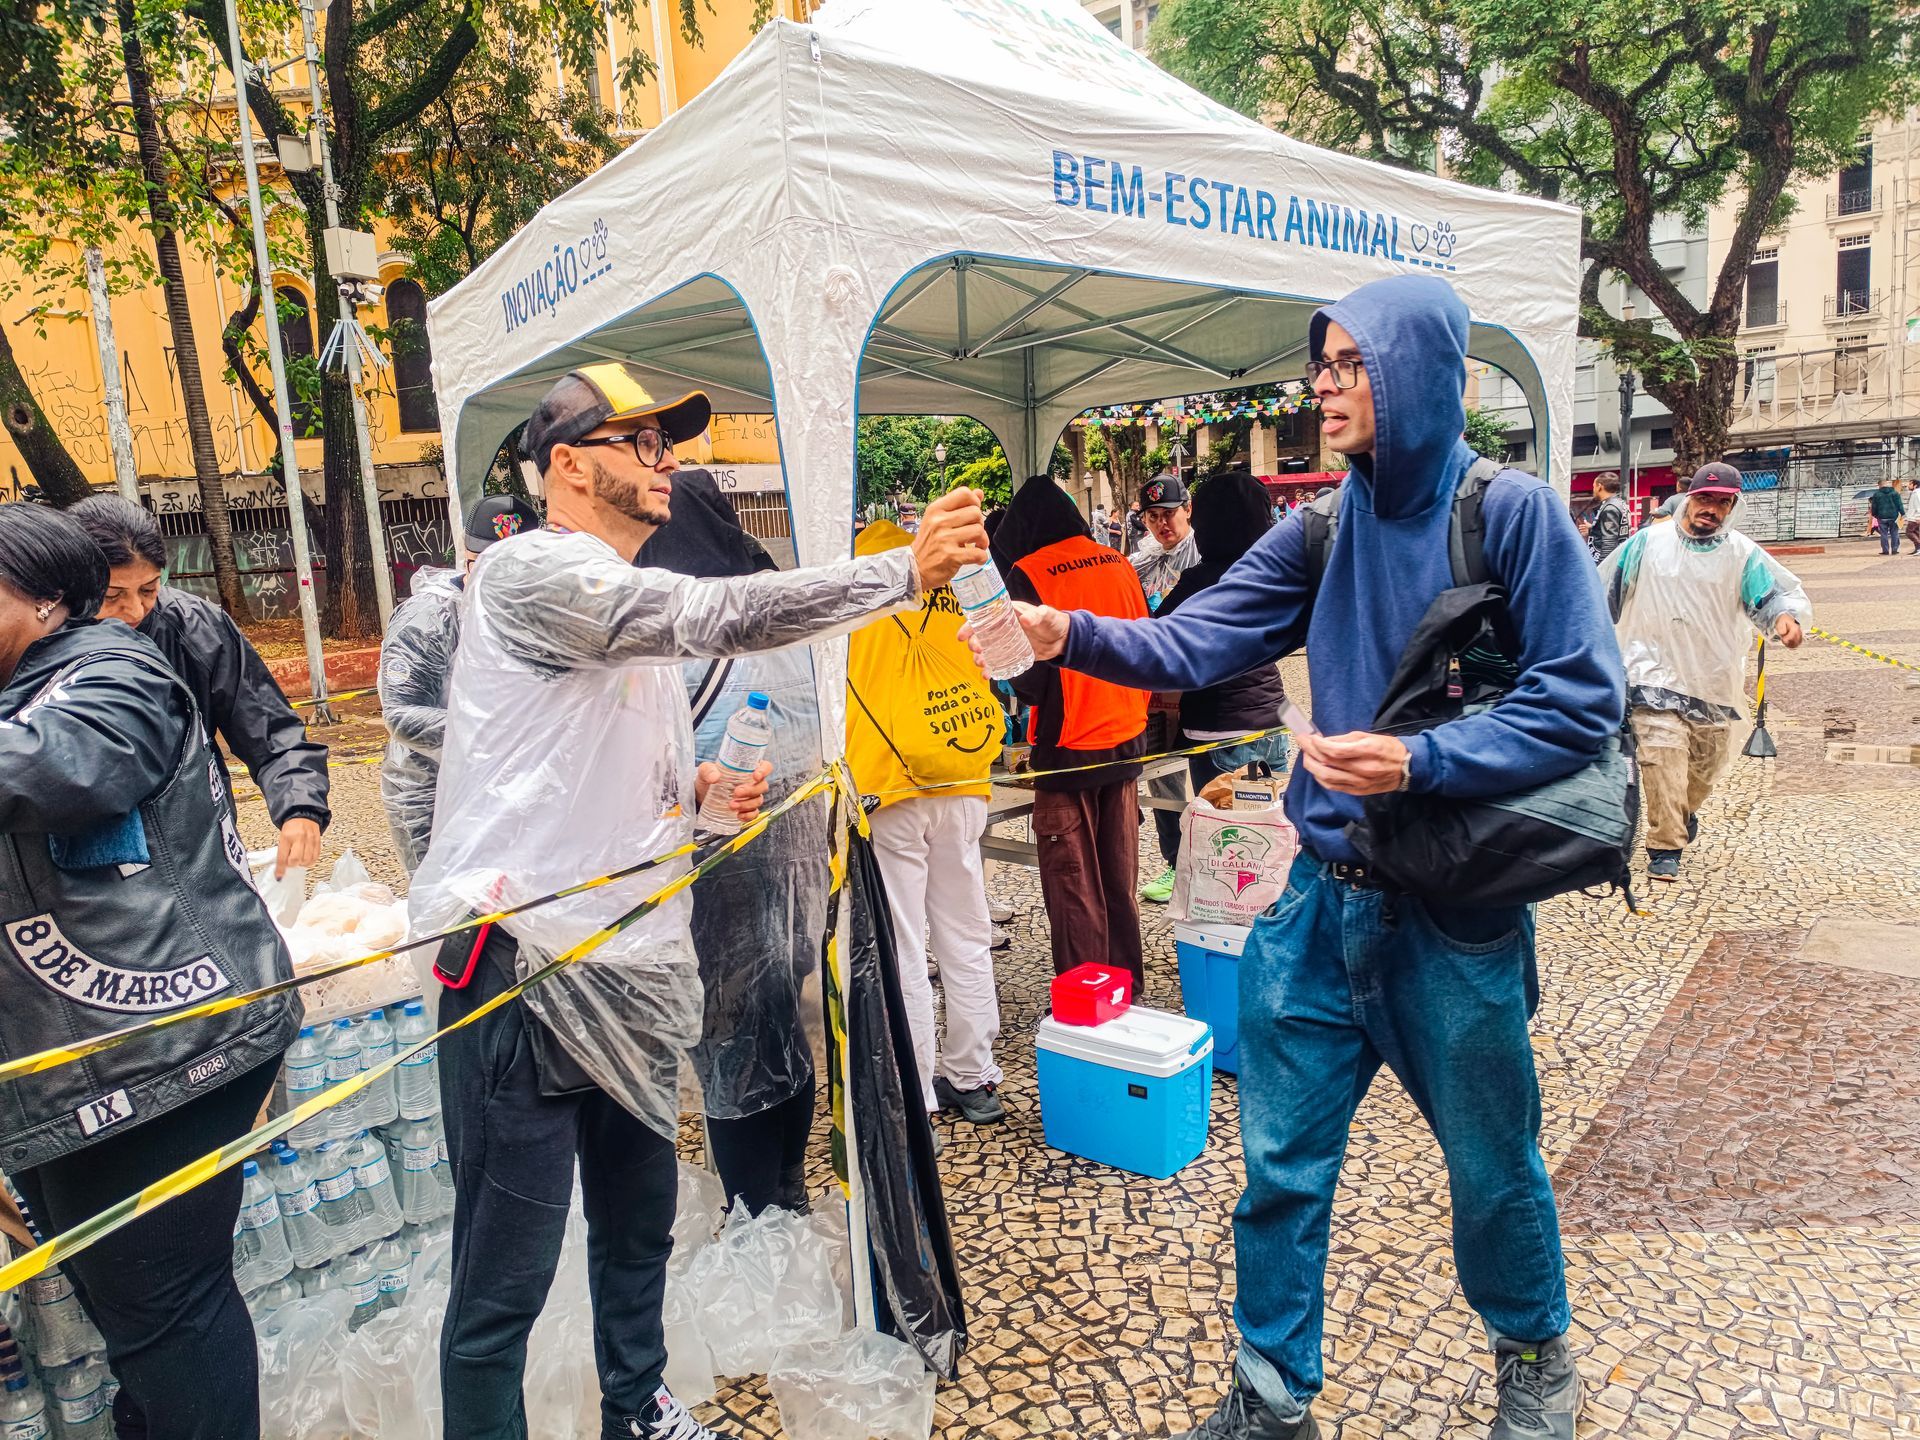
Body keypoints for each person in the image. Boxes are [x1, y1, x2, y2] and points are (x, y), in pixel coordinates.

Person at [976, 276, 1624, 1440]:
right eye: (1320, 365)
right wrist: (1062, 630)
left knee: (1492, 1167)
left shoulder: (1514, 514)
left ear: (1419, 372)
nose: (1324, 387)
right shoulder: (1321, 528)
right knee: (1279, 1170)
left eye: (1351, 364)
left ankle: (1534, 1356)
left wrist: (1422, 761)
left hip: (1454, 920)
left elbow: (1584, 697)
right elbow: (1193, 640)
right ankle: (1274, 1396)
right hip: (1317, 907)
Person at [408, 363, 987, 1440]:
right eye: (640, 442)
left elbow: (598, 775)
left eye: (668, 442)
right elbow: (722, 610)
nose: (665, 460)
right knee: (502, 1280)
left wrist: (698, 793)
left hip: (627, 973)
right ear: (566, 465)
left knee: (637, 1230)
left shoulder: (622, 600)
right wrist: (899, 573)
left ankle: (637, 1410)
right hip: (522, 974)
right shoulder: (536, 571)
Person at [0, 502, 299, 1440]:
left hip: (160, 1049)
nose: (140, 607)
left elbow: (65, 767)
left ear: (44, 599)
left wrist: (301, 802)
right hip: (67, 1061)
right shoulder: (23, 680)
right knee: (131, 1315)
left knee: (167, 1312)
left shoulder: (111, 668)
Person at [637, 469, 832, 1214]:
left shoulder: (678, 623)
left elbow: (651, 762)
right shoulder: (772, 607)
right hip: (797, 849)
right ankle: (788, 1190)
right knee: (781, 1017)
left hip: (718, 855)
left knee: (727, 1036)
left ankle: (753, 1212)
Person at [67, 494, 329, 880]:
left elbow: (269, 727)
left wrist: (300, 808)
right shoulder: (37, 640)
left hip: (198, 844)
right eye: (112, 596)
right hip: (85, 864)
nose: (135, 610)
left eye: (149, 589)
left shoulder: (195, 627)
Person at [845, 516, 1007, 1130]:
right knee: (967, 933)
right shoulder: (956, 589)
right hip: (963, 777)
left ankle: (915, 1095)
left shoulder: (854, 598)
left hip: (889, 787)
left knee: (905, 944)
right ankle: (975, 1075)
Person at [1600, 462, 1810, 883]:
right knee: (1661, 756)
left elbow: (1769, 598)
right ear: (1689, 498)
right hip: (1651, 673)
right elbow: (1608, 594)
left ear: (1732, 507)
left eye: (1721, 502)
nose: (1710, 509)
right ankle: (1665, 846)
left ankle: (1682, 811)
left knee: (1705, 767)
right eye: (1704, 499)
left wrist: (1784, 620)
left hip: (1712, 678)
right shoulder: (1648, 542)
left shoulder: (1742, 554)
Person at [992, 473, 1150, 986]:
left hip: (1069, 747)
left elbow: (1027, 678)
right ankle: (1127, 991)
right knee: (1119, 879)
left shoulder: (1029, 571)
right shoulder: (1118, 561)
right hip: (1126, 738)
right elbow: (1148, 643)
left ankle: (1089, 1005)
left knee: (1074, 886)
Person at [376, 495, 541, 872]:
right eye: (491, 565)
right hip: (430, 790)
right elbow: (400, 714)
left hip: (507, 786)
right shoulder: (431, 616)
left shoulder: (531, 612)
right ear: (469, 559)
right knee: (447, 903)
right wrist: (495, 731)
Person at [1152, 469, 1292, 860]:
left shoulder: (1203, 581)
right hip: (1273, 723)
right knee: (1268, 842)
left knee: (1230, 851)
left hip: (1222, 732)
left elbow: (1157, 640)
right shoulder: (1277, 573)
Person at [1587, 472, 1629, 562]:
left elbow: (1609, 542)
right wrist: (1592, 529)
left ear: (1599, 486)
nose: (1593, 490)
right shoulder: (1620, 503)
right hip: (1619, 556)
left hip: (1605, 560)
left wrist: (1603, 566)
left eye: (1594, 486)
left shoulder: (1610, 508)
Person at [1870, 475, 1905, 556]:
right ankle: (1894, 550)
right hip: (1893, 516)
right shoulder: (1894, 493)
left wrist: (1874, 514)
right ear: (1887, 484)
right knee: (1894, 533)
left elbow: (1874, 506)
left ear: (1879, 485)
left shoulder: (1877, 494)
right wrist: (1902, 513)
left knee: (1884, 534)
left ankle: (1885, 550)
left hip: (1881, 517)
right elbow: (1899, 504)